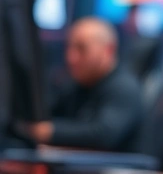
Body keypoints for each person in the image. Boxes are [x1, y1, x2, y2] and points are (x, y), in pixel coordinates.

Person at [18, 17, 143, 152]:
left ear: (109, 50)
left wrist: (50, 132)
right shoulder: (77, 84)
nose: (70, 57)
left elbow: (102, 135)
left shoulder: (124, 88)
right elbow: (49, 111)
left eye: (81, 49)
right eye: (69, 47)